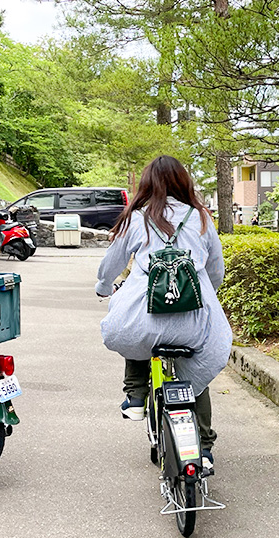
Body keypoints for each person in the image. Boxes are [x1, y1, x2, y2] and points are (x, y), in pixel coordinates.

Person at [95, 155, 232, 470]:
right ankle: (205, 449)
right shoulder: (201, 219)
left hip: (146, 317)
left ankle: (135, 396)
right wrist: (202, 294)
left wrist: (104, 287)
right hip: (193, 321)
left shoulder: (138, 219)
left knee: (134, 327)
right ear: (183, 183)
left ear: (147, 185)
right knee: (195, 373)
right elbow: (216, 270)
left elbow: (112, 264)